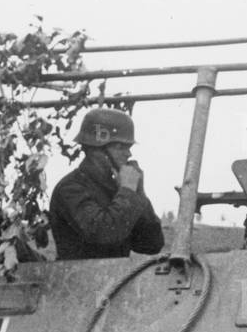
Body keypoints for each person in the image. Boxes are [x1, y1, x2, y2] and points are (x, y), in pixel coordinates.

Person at [49, 108, 164, 260]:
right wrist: (128, 192)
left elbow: (151, 244)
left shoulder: (116, 189)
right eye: (120, 147)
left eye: (128, 147)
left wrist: (139, 194)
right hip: (75, 279)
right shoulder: (71, 188)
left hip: (114, 279)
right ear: (96, 150)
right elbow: (103, 234)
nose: (128, 154)